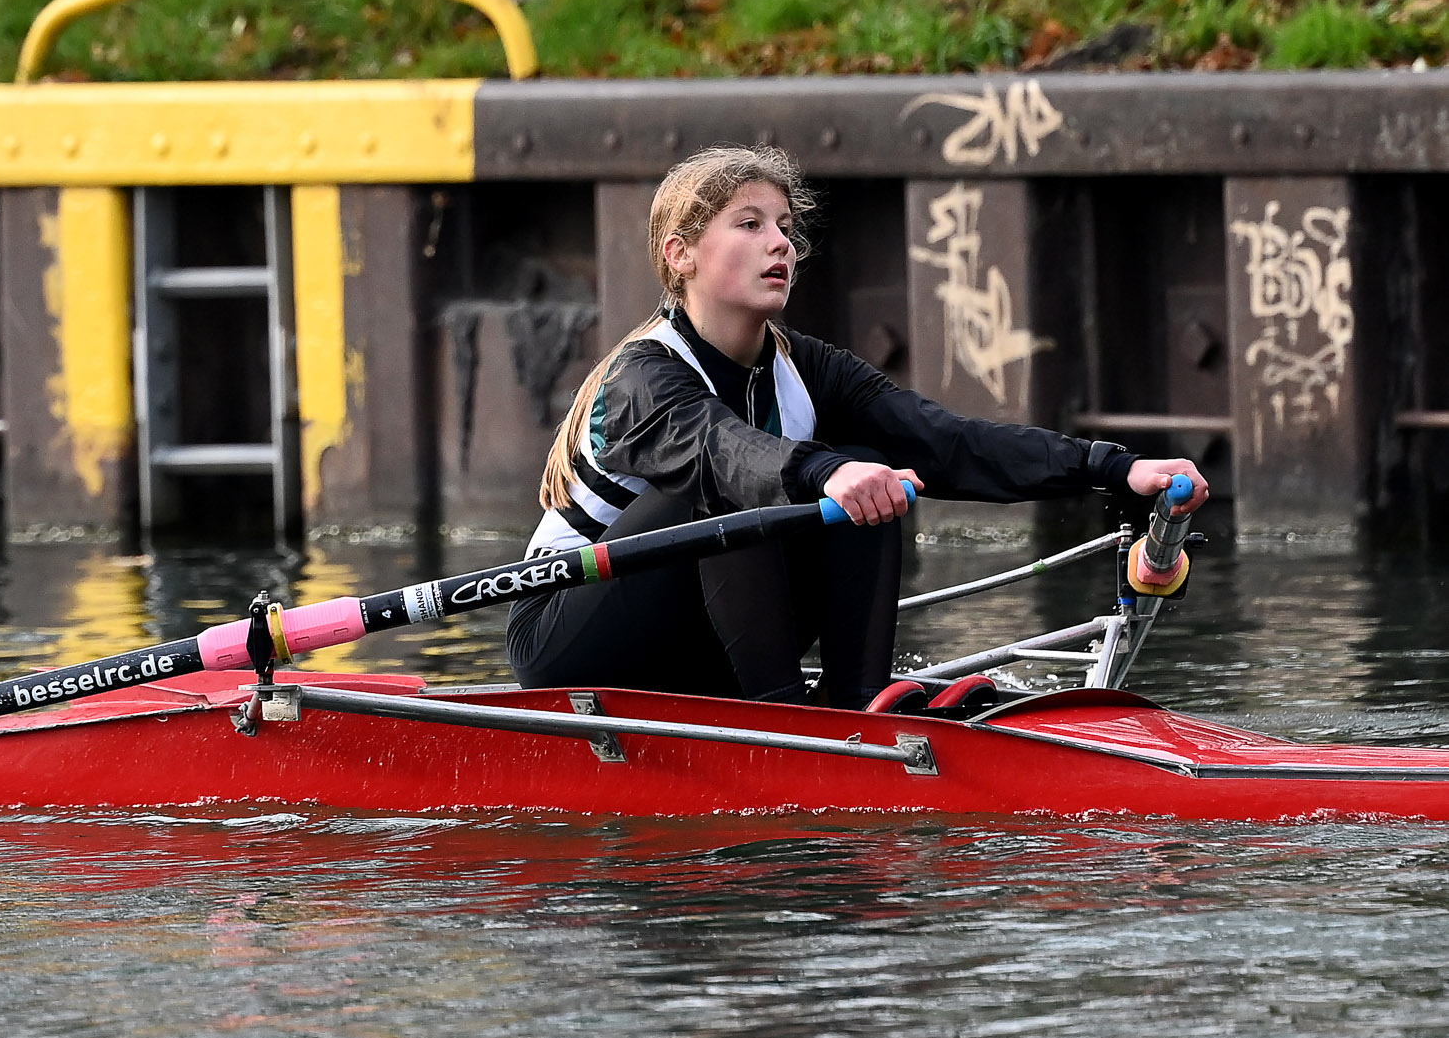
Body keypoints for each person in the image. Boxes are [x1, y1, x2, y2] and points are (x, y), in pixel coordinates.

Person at [509, 144, 1207, 710]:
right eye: (749, 225)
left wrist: (1114, 469)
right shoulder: (639, 377)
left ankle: (856, 704)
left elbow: (946, 440)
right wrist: (825, 473)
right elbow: (720, 451)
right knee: (742, 486)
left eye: (785, 226)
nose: (779, 244)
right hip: (567, 635)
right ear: (680, 255)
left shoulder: (807, 367)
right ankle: (783, 715)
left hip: (696, 632)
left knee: (875, 464)